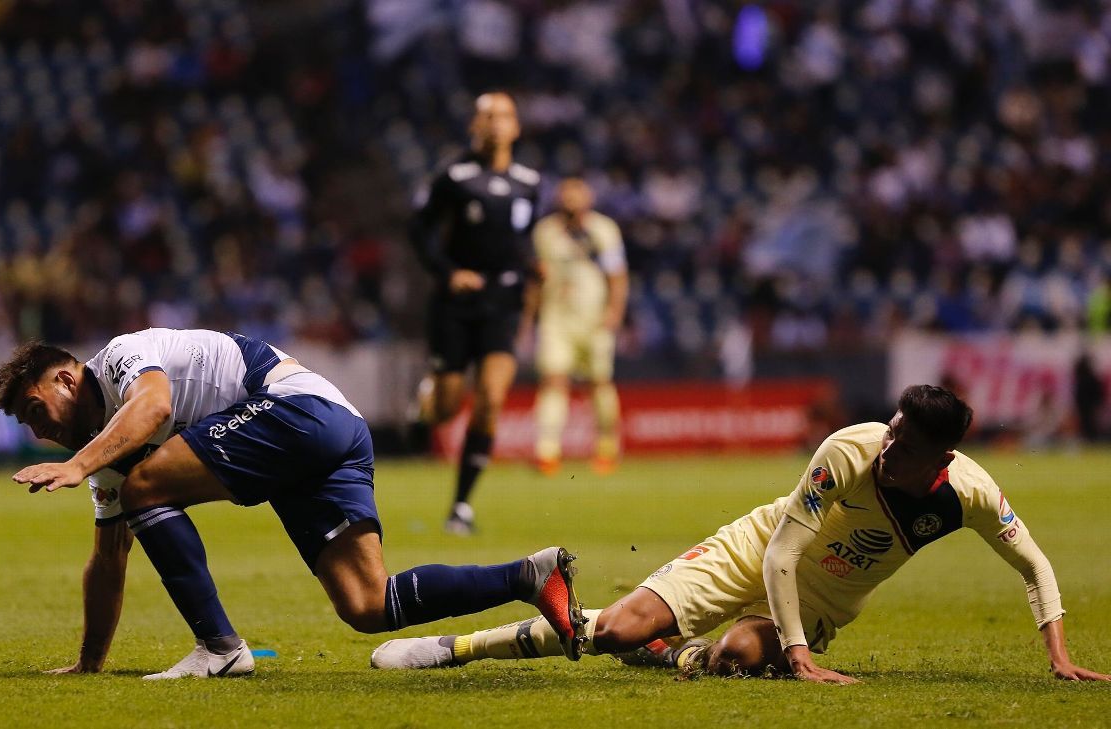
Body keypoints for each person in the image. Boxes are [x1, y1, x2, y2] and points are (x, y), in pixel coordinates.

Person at [371, 385, 1110, 683]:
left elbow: (1034, 561)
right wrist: (801, 660)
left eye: (905, 444)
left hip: (819, 601)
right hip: (754, 548)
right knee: (621, 630)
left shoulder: (969, 492)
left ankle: (687, 651)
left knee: (731, 659)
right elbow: (783, 551)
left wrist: (1060, 656)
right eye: (891, 429)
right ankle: (459, 647)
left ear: (940, 459)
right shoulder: (850, 449)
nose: (888, 447)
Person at [0, 328, 584, 679]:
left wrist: (77, 465)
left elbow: (150, 409)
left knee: (147, 485)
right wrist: (90, 664)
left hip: (297, 408)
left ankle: (221, 650)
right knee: (366, 604)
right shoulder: (109, 457)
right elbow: (109, 560)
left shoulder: (124, 357)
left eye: (35, 410)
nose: (39, 432)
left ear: (67, 382)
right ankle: (532, 577)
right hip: (335, 430)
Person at [410, 91, 541, 535]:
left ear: (516, 126)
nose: (495, 123)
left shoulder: (529, 180)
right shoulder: (454, 175)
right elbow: (421, 232)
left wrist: (531, 268)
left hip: (503, 303)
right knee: (447, 408)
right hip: (456, 304)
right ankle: (430, 398)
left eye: (503, 115)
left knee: (490, 401)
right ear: (474, 126)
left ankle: (461, 505)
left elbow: (520, 238)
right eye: (487, 116)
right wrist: (448, 272)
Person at [529, 178, 628, 476]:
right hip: (556, 317)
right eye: (566, 194)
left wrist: (614, 311)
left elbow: (617, 275)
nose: (571, 200)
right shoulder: (545, 232)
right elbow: (537, 277)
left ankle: (606, 447)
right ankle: (547, 452)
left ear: (589, 198)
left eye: (577, 194)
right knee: (553, 380)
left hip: (594, 318)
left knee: (599, 382)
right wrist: (528, 317)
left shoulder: (603, 230)